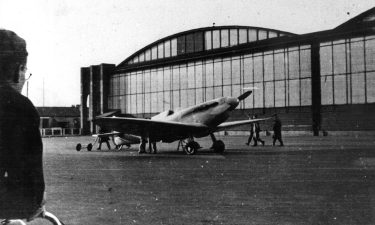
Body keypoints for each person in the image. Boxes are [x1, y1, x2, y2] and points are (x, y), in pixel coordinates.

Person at [0, 29, 45, 221]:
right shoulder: (20, 108)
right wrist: (34, 203)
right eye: (25, 71)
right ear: (18, 71)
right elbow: (29, 188)